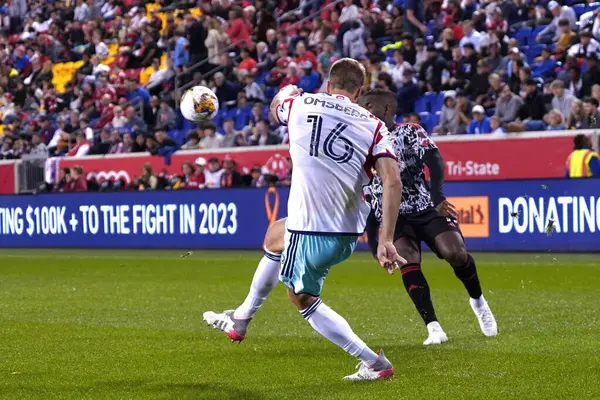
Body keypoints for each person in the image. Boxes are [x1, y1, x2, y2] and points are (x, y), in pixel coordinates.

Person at [204, 59, 403, 381]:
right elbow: (393, 182)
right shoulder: (375, 125)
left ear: (328, 84)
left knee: (301, 298)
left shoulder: (300, 104)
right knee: (274, 236)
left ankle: (374, 363)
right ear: (359, 91)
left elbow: (275, 107)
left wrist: (287, 89)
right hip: (346, 229)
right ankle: (241, 319)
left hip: (312, 228)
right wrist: (386, 239)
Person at [359, 89, 498, 345]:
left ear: (387, 109)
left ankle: (478, 301)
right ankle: (433, 327)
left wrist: (437, 195)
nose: (363, 110)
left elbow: (433, 158)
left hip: (425, 207)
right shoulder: (360, 142)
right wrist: (372, 239)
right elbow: (367, 193)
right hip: (394, 218)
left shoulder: (408, 131)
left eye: (368, 105)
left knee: (455, 253)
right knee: (407, 260)